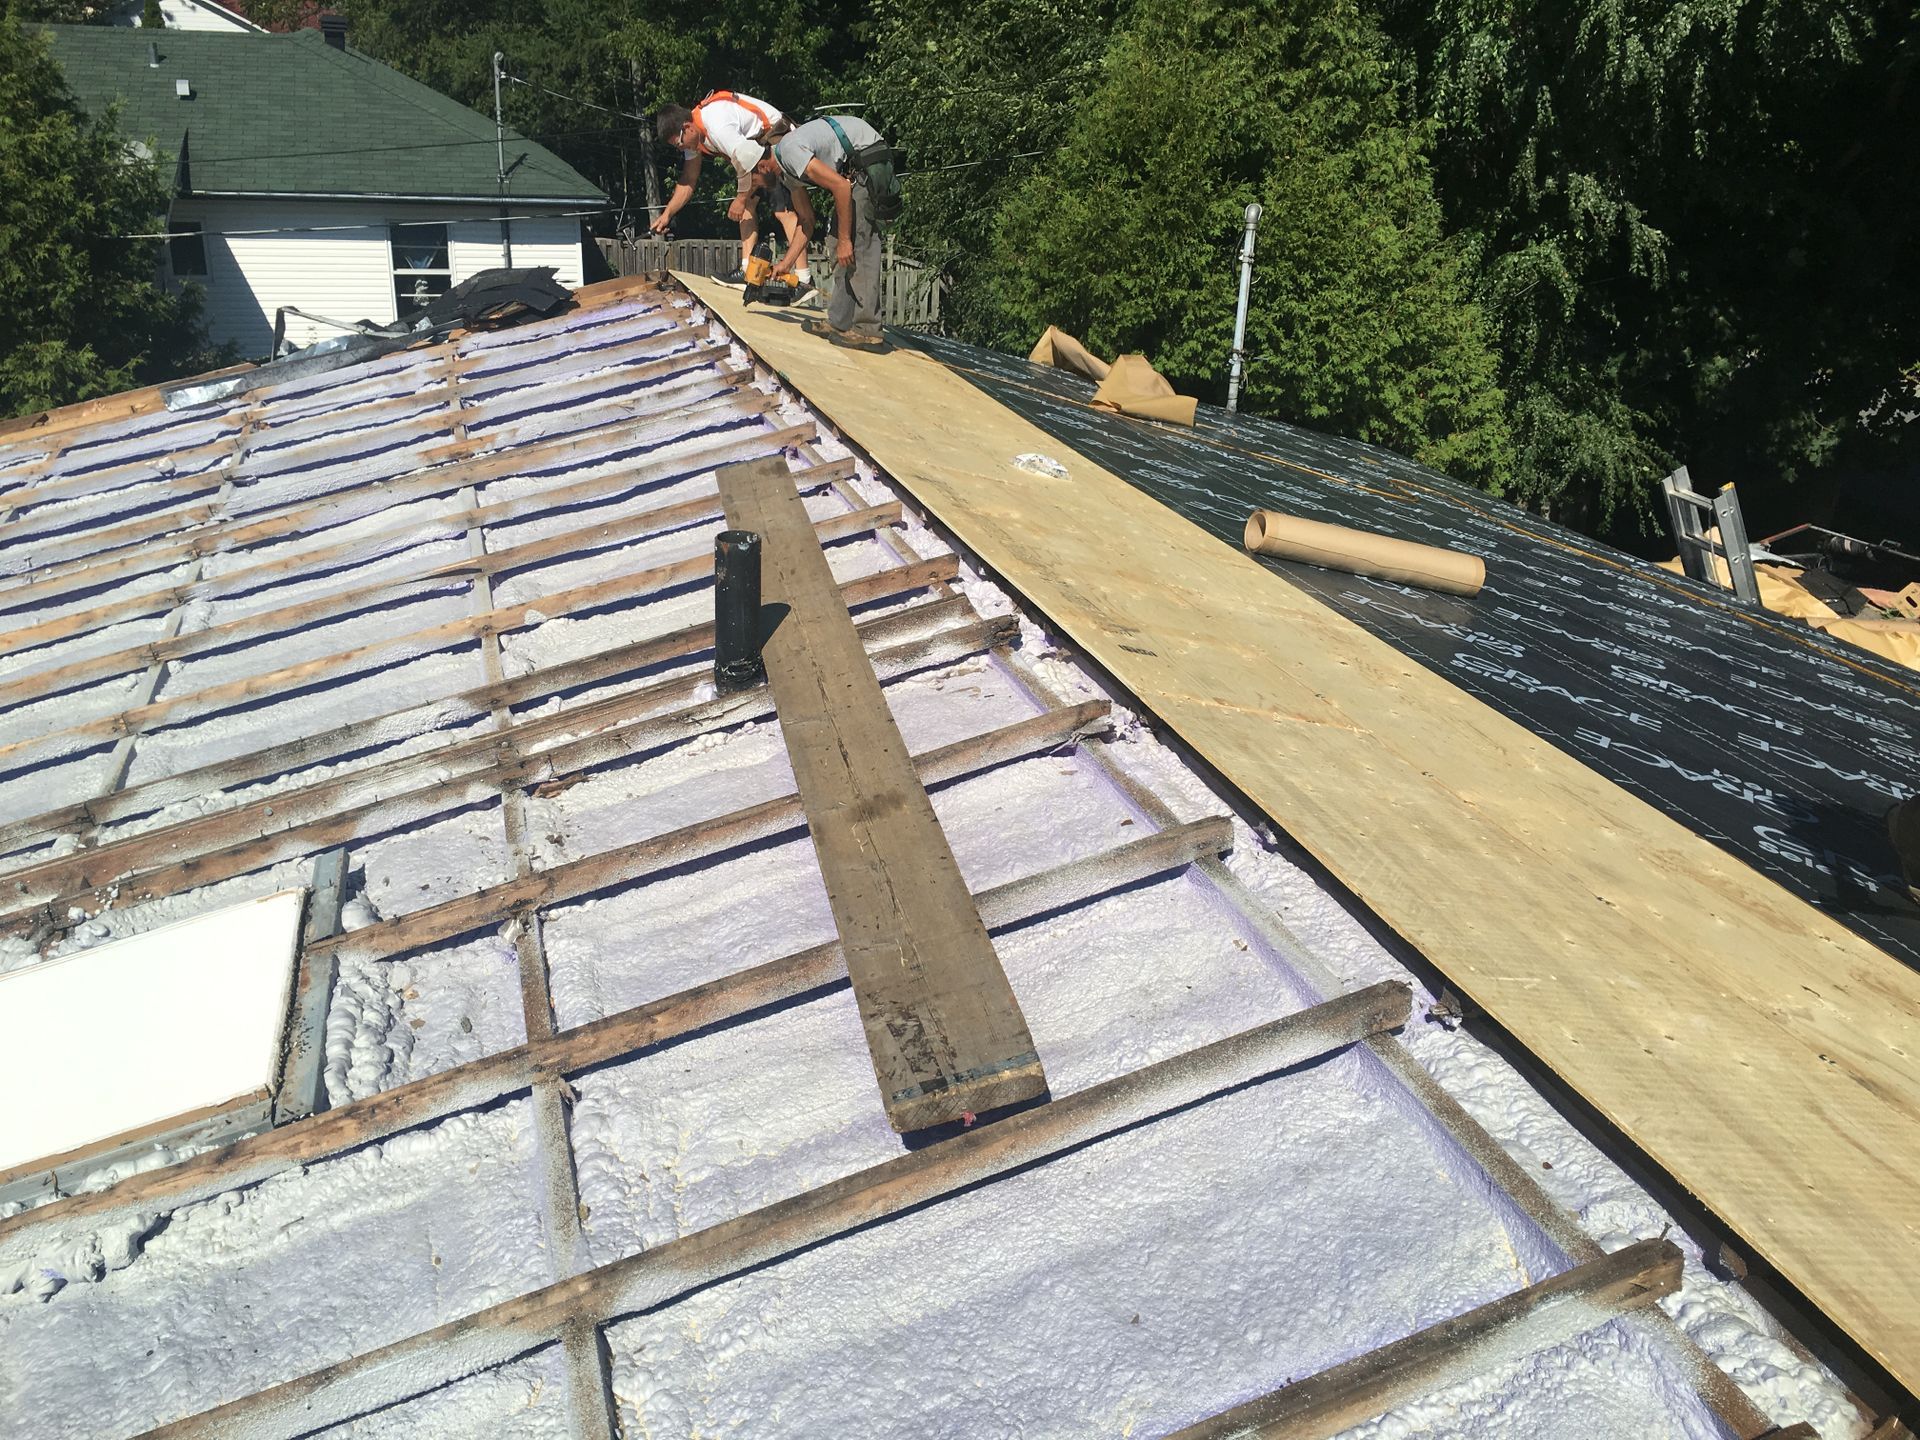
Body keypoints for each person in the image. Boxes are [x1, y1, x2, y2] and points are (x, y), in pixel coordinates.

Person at [750, 112, 901, 351]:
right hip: (857, 167)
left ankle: (869, 330)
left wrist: (845, 241)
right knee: (834, 242)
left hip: (869, 159)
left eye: (754, 181)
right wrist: (786, 263)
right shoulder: (788, 172)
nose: (755, 188)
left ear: (762, 166)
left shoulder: (789, 152)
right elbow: (807, 221)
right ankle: (840, 322)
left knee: (859, 244)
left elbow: (841, 187)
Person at [650, 91, 809, 289]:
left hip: (777, 139)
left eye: (679, 144)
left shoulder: (716, 124)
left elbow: (744, 159)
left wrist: (740, 199)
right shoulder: (694, 135)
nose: (681, 149)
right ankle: (746, 271)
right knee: (747, 204)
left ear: (687, 127)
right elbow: (689, 179)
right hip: (753, 149)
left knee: (782, 210)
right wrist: (667, 214)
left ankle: (803, 280)